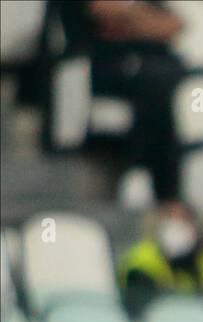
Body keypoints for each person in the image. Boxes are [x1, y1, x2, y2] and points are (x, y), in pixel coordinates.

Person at [60, 1, 187, 204]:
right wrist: (142, 16)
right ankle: (165, 195)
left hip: (150, 70)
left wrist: (130, 18)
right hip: (100, 65)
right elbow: (103, 12)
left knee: (163, 86)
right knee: (154, 84)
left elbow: (174, 24)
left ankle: (157, 190)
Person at [119, 201, 203, 316]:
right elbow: (143, 306)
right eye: (171, 221)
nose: (176, 230)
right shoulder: (142, 257)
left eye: (183, 222)